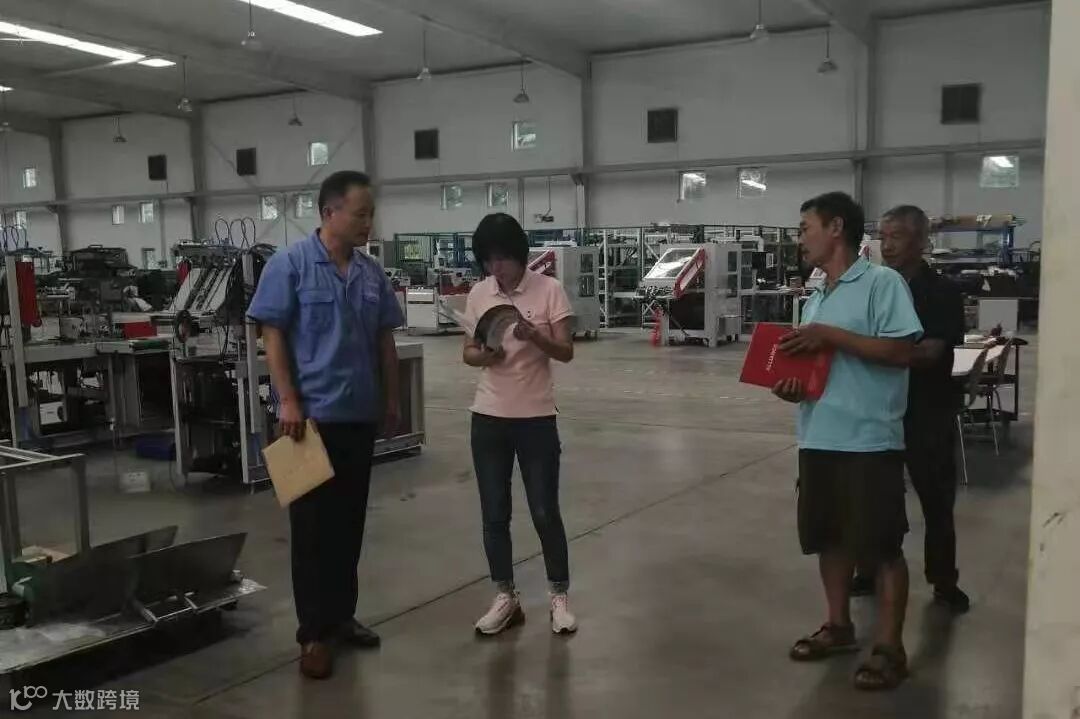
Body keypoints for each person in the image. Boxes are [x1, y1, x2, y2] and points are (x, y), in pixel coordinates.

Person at [247, 170, 403, 680]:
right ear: (329, 212)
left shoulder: (371, 274)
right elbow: (272, 334)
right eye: (360, 213)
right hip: (308, 423)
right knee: (312, 533)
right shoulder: (289, 265)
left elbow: (385, 341)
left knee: (349, 527)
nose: (367, 222)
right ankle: (313, 634)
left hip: (358, 416)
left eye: (370, 213)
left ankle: (341, 617)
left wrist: (391, 399)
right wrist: (287, 400)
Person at [773, 192, 923, 691]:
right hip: (819, 436)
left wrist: (831, 336)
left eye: (805, 228)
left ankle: (889, 648)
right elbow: (817, 368)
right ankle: (838, 626)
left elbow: (901, 351)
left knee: (881, 547)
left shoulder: (882, 283)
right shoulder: (817, 296)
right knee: (830, 539)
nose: (800, 239)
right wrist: (793, 387)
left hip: (869, 441)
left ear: (836, 228)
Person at [461, 213, 578, 636]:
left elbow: (565, 351)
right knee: (494, 513)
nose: (496, 268)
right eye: (488, 261)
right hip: (488, 417)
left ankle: (559, 596)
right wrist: (485, 355)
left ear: (519, 255)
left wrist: (537, 337)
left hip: (536, 420)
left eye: (502, 259)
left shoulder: (549, 290)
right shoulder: (480, 293)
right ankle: (505, 596)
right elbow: (468, 352)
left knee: (545, 511)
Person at [849, 206, 970, 612]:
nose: (887, 245)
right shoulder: (871, 288)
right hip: (879, 410)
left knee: (936, 502)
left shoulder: (942, 293)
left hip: (926, 412)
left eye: (897, 236)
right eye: (883, 236)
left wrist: (862, 349)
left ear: (921, 242)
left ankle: (944, 579)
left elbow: (929, 353)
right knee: (875, 499)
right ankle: (869, 569)